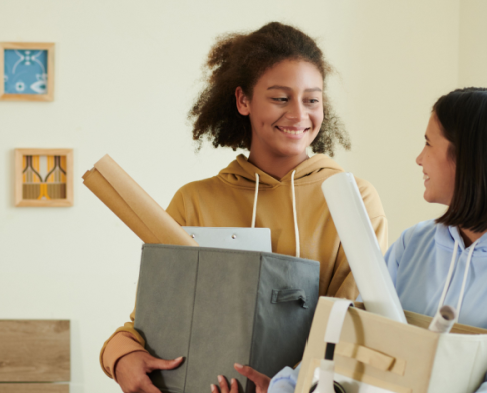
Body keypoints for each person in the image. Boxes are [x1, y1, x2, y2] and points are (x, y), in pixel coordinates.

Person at [98, 22, 389, 393]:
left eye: (312, 99)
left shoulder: (354, 200)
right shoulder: (194, 201)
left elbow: (356, 325)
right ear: (243, 101)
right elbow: (152, 321)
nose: (299, 114)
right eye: (281, 98)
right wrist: (121, 357)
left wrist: (285, 387)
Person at [267, 87, 487, 393]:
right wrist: (283, 387)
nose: (418, 158)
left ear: (468, 157)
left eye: (428, 143)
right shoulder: (414, 243)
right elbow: (361, 344)